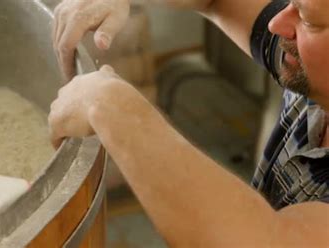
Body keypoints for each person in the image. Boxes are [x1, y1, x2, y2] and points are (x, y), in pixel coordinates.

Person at [48, 0, 329, 246]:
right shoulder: (311, 68)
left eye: (307, 19)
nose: (277, 24)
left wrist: (111, 104)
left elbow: (271, 240)